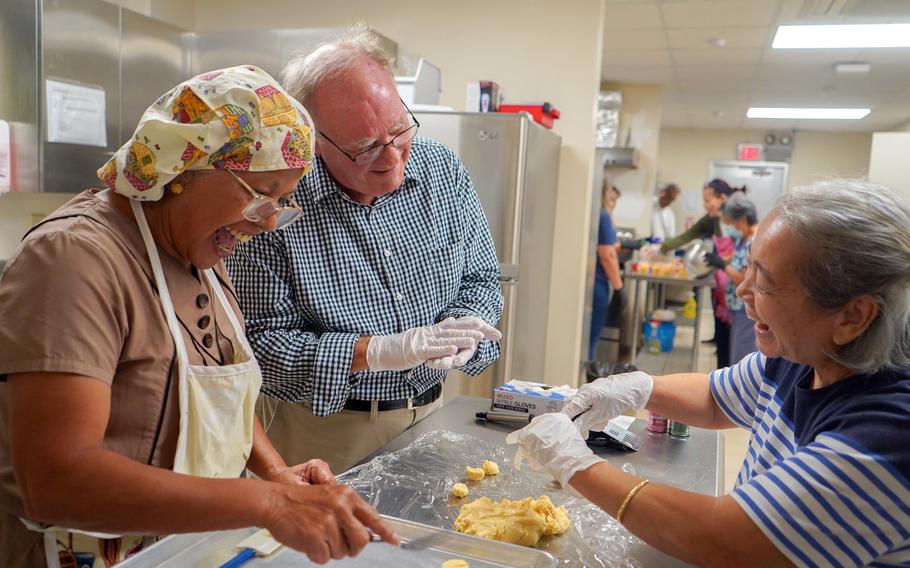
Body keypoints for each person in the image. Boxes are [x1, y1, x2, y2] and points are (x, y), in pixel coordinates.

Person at [0, 66, 398, 568]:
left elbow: (213, 385)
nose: (271, 221)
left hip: (182, 546)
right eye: (260, 195)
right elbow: (55, 481)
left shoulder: (198, 254)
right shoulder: (72, 261)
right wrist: (269, 504)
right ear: (184, 168)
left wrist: (275, 474)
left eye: (282, 202)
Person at [509, 179, 910, 567]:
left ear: (852, 316)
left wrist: (577, 465)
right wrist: (635, 388)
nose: (742, 291)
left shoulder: (888, 433)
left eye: (764, 283)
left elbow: (731, 543)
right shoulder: (803, 356)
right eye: (748, 269)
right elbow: (715, 398)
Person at [226, 27, 503, 474]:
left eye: (398, 129)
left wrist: (465, 330)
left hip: (431, 413)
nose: (392, 156)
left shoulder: (442, 171)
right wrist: (373, 351)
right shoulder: (279, 205)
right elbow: (259, 347)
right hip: (323, 433)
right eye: (364, 147)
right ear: (314, 139)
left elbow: (481, 279)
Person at [658, 178, 742, 367]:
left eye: (708, 200)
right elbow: (688, 236)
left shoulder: (738, 221)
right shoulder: (712, 220)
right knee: (722, 337)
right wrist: (661, 248)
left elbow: (742, 256)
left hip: (736, 290)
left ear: (723, 198)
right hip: (721, 285)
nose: (705, 205)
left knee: (735, 344)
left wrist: (723, 261)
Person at [705, 193, 760, 364]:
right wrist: (720, 259)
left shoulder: (755, 241)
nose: (728, 227)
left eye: (729, 223)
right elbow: (737, 257)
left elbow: (744, 279)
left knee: (741, 357)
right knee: (735, 349)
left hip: (747, 309)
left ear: (742, 220)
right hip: (737, 308)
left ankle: (738, 391)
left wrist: (722, 265)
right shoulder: (743, 238)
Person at [588, 178, 624, 361]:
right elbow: (607, 254)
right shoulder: (603, 215)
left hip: (593, 282)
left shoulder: (595, 212)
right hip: (599, 285)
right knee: (591, 338)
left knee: (588, 336)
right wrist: (619, 288)